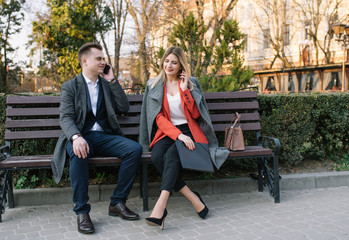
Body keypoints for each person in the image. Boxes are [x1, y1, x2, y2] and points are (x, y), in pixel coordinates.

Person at [51, 42, 142, 234]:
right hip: (81, 137)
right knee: (78, 153)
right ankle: (82, 211)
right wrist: (75, 137)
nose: (103, 62)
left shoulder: (106, 84)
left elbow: (124, 108)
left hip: (105, 136)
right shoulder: (70, 86)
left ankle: (117, 202)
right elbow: (65, 117)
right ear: (85, 61)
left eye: (104, 59)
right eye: (99, 59)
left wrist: (112, 80)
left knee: (134, 150)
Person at [139, 46, 229, 229]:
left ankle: (160, 206)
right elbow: (157, 117)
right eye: (166, 61)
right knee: (157, 156)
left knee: (171, 156)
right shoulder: (154, 84)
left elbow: (196, 115)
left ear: (181, 65)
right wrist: (177, 135)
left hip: (190, 131)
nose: (169, 65)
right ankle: (193, 197)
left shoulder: (191, 82)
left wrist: (185, 89)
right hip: (168, 131)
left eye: (174, 62)